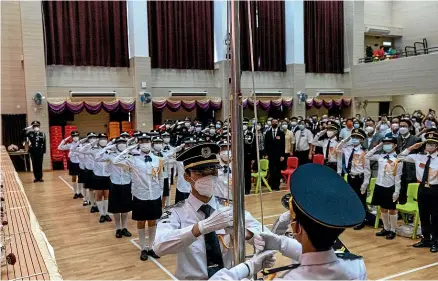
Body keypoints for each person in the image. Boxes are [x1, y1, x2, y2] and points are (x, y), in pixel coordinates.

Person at [210, 164, 367, 280]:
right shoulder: (356, 265)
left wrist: (248, 267)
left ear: (297, 228)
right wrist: (281, 243)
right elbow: (320, 260)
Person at [153, 143, 264, 280]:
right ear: (186, 176)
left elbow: (265, 236)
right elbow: (159, 246)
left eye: (213, 171)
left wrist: (245, 233)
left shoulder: (229, 207)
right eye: (200, 172)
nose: (208, 177)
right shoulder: (176, 213)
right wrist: (200, 228)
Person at [113, 133, 163, 260]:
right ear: (139, 144)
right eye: (142, 141)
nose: (145, 143)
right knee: (141, 222)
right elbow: (116, 161)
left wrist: (161, 193)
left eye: (147, 141)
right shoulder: (133, 159)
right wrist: (128, 149)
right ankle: (143, 249)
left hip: (155, 195)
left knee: (153, 222)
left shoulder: (157, 159)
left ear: (151, 143)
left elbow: (160, 177)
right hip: (140, 196)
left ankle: (151, 247)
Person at [398, 131, 438, 253]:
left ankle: (436, 242)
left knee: (436, 217)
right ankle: (426, 239)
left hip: (435, 189)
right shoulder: (418, 157)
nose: (429, 146)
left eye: (432, 144)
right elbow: (400, 157)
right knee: (424, 215)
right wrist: (411, 147)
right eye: (428, 143)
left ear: (437, 146)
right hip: (422, 189)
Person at [365, 137, 402, 240]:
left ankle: (393, 230)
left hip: (390, 186)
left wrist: (397, 191)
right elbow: (367, 156)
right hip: (379, 185)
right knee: (382, 208)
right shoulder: (380, 156)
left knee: (392, 210)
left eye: (389, 143)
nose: (386, 145)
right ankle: (386, 228)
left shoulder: (398, 159)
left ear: (395, 145)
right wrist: (377, 147)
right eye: (385, 143)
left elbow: (398, 177)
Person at [95, 137, 132, 238]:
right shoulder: (110, 155)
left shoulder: (130, 155)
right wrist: (107, 147)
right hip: (115, 184)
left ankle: (124, 227)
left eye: (123, 142)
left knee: (125, 208)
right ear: (116, 144)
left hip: (127, 183)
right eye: (119, 142)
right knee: (116, 208)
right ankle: (118, 228)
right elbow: (97, 158)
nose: (121, 144)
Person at [336, 129, 370, 230]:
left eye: (357, 138)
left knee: (361, 199)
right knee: (352, 198)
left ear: (362, 140)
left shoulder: (364, 152)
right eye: (353, 137)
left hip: (360, 178)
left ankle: (363, 220)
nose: (354, 139)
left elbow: (367, 169)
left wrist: (366, 182)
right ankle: (354, 218)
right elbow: (338, 148)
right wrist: (347, 138)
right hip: (350, 177)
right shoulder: (347, 149)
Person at [80, 133, 112, 223]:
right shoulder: (94, 150)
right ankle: (101, 214)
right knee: (98, 196)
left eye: (104, 138)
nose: (103, 140)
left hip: (107, 176)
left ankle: (106, 214)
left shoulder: (110, 150)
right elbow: (82, 150)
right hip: (97, 176)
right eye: (101, 139)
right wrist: (92, 143)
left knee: (106, 195)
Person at [396, 119, 421, 204]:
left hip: (411, 170)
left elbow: (419, 156)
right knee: (400, 190)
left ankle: (410, 214)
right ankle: (401, 210)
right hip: (399, 168)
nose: (402, 128)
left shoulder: (416, 139)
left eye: (404, 126)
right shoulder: (397, 139)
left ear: (410, 128)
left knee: (410, 191)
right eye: (400, 126)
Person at [58, 131, 84, 199]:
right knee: (74, 178)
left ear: (79, 136)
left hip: (81, 163)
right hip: (73, 162)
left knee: (81, 178)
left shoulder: (82, 144)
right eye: (74, 136)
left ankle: (80, 192)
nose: (75, 137)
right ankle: (75, 192)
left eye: (77, 136)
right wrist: (66, 139)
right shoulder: (70, 144)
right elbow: (59, 147)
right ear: (72, 137)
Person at [264, 118, 285, 190]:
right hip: (270, 155)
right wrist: (266, 154)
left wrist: (282, 155)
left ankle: (277, 185)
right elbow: (265, 144)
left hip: (279, 155)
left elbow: (283, 145)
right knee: (272, 170)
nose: (274, 123)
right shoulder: (268, 133)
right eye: (273, 122)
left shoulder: (281, 133)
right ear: (271, 123)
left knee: (278, 171)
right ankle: (272, 185)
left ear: (278, 123)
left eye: (276, 122)